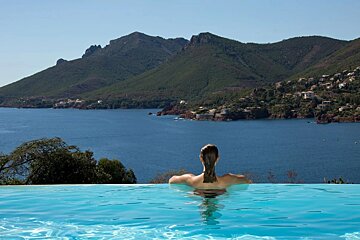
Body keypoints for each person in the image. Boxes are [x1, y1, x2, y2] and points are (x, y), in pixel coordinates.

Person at [169, 144, 251, 189]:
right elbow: (247, 181)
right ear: (217, 158)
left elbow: (171, 180)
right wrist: (232, 176)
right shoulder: (228, 179)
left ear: (201, 158)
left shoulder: (190, 180)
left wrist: (189, 176)